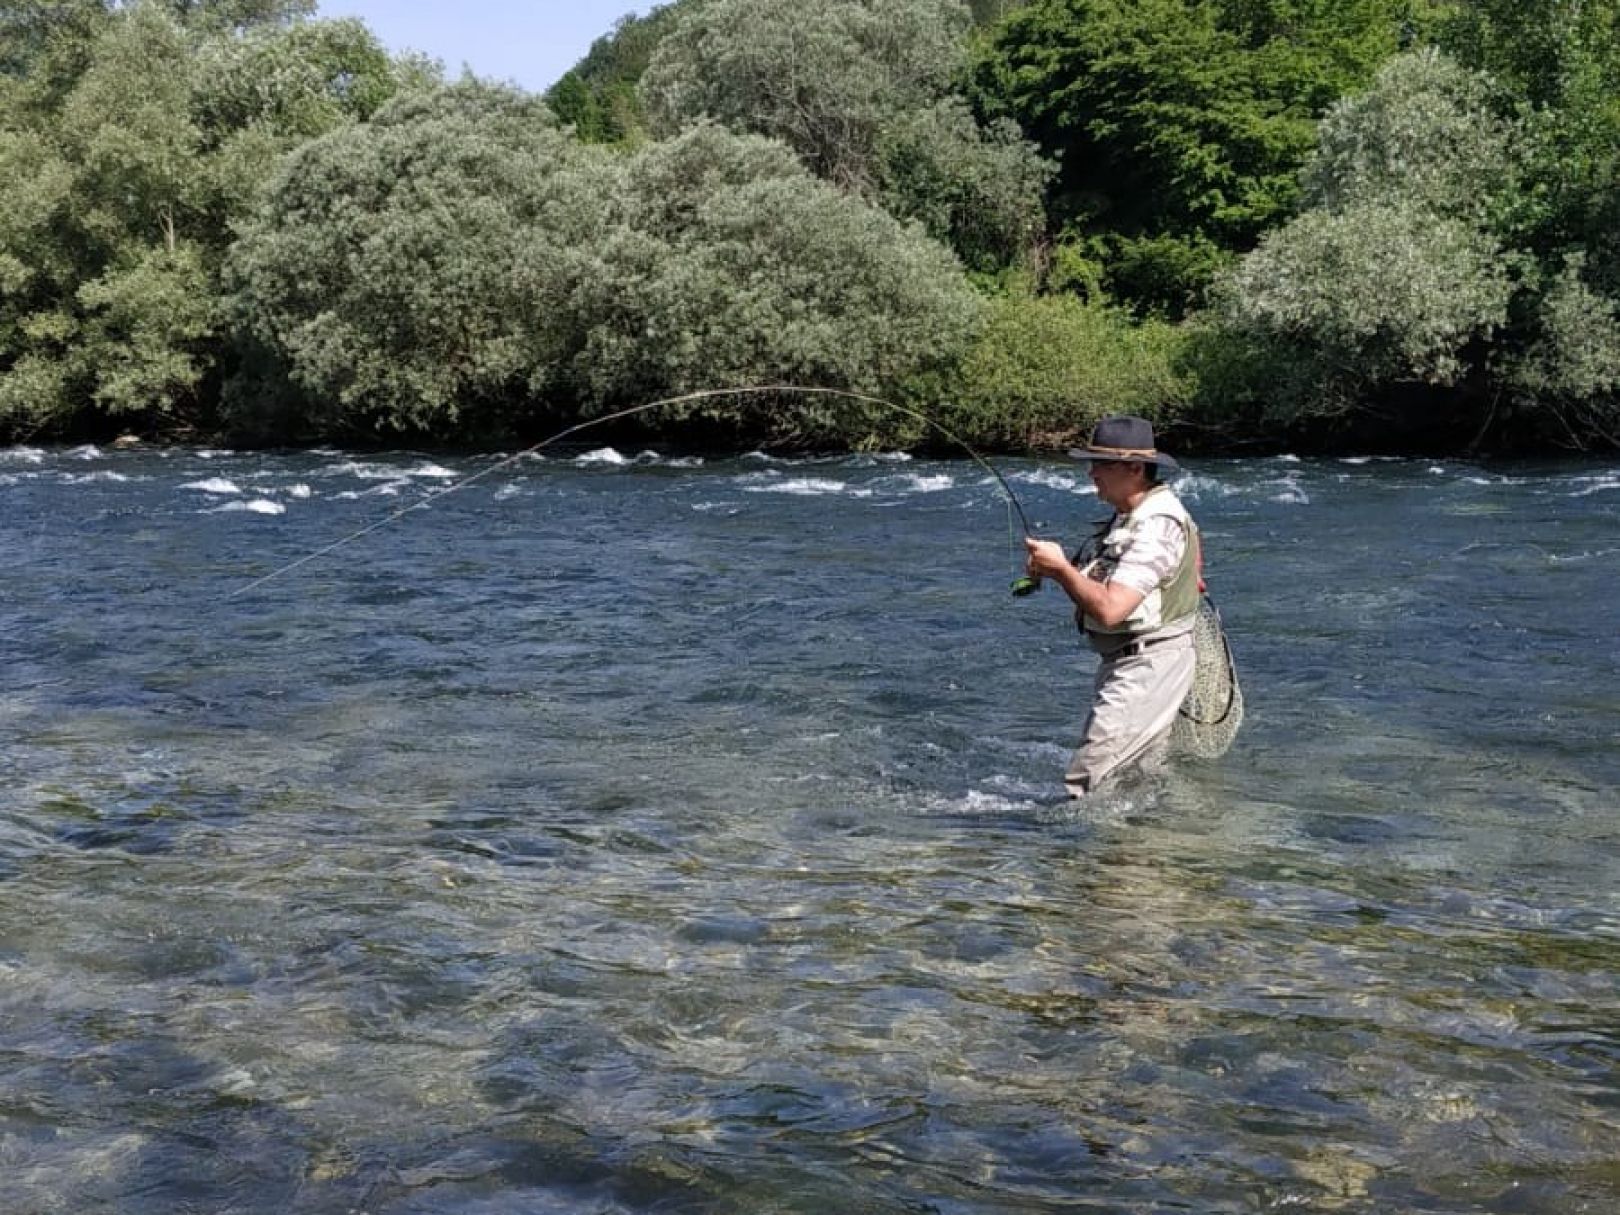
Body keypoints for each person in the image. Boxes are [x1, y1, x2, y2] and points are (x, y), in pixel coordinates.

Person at [1023, 415, 1202, 798]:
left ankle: (1069, 856)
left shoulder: (1156, 525)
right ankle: (1136, 855)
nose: (1091, 473)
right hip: (1135, 661)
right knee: (1133, 784)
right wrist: (1059, 571)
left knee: (1086, 787)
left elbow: (1110, 610)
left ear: (1135, 468)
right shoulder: (1136, 513)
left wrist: (1060, 570)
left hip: (1148, 665)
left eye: (1100, 464)